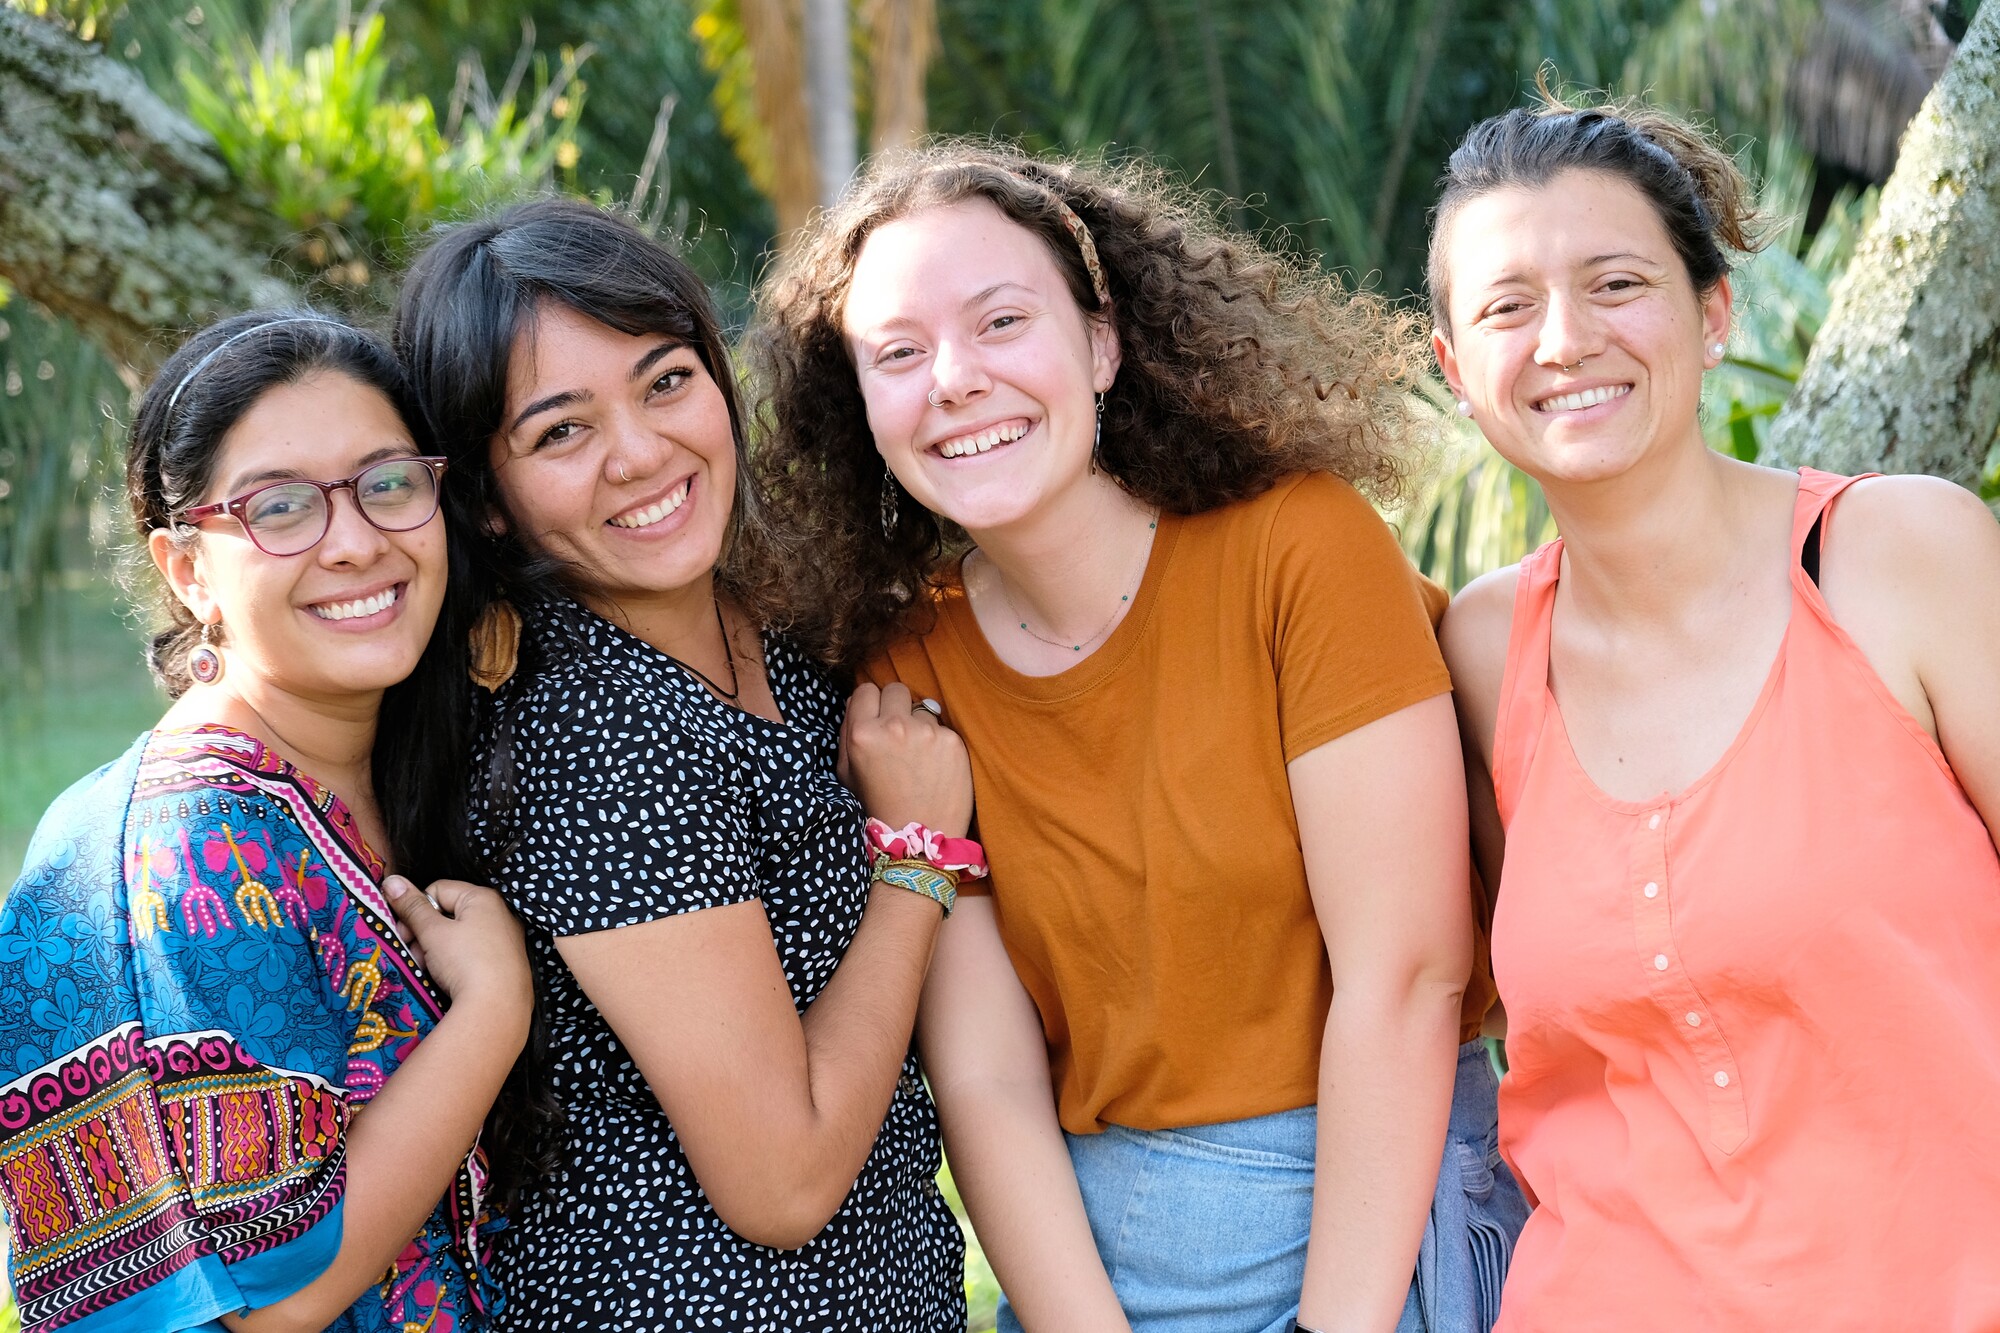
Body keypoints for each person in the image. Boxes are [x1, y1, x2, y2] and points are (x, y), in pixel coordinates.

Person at [752, 142, 1527, 1333]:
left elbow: (1406, 977)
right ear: (859, 407)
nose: (953, 379)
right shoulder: (904, 661)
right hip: (1096, 1281)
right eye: (897, 354)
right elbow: (986, 1077)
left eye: (1000, 320)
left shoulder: (1297, 551)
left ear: (1101, 342)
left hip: (1382, 1251)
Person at [1427, 92, 2000, 1330]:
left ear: (1711, 308)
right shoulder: (1482, 649)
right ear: (1454, 367)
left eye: (1615, 282)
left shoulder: (1894, 555)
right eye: (1505, 307)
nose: (1564, 339)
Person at [391, 199, 971, 1332]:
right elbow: (782, 1181)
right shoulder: (596, 735)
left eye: (664, 382)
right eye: (560, 432)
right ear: (488, 506)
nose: (642, 452)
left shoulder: (769, 626)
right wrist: (915, 861)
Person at [0, 313, 534, 1333]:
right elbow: (277, 1296)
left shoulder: (387, 773)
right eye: (280, 507)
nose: (355, 540)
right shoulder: (188, 841)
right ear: (187, 567)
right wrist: (491, 1012)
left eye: (387, 483)